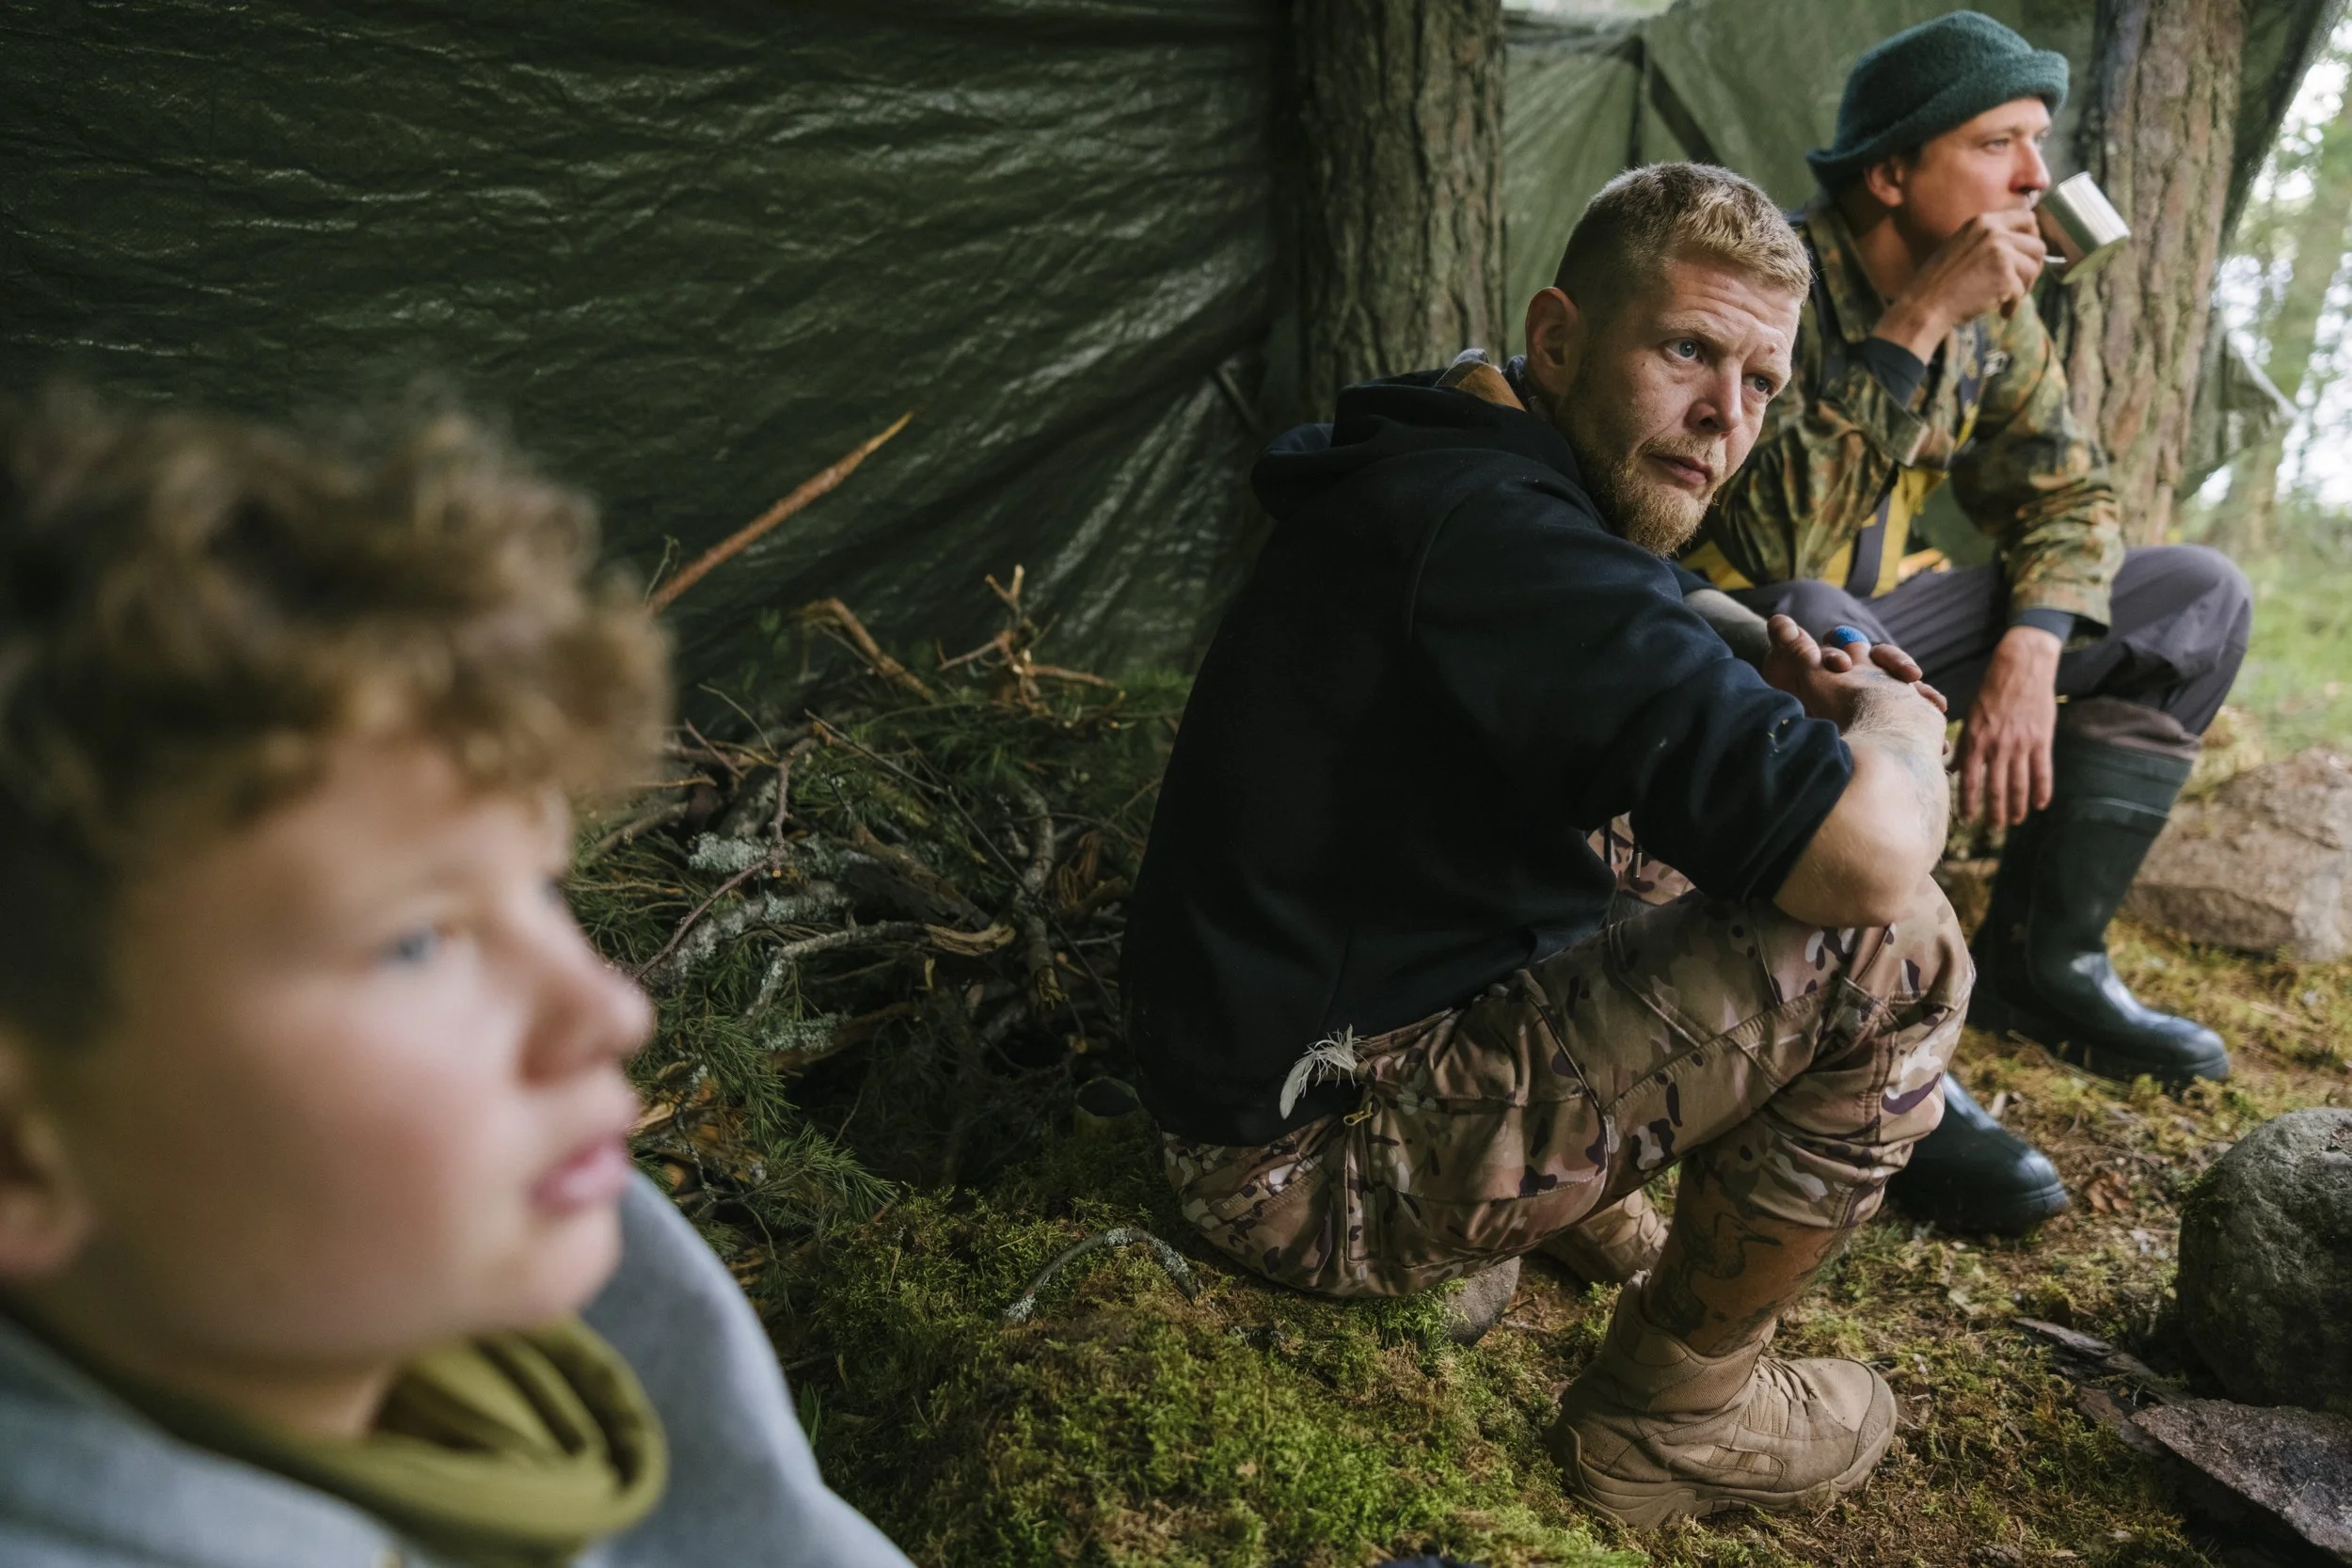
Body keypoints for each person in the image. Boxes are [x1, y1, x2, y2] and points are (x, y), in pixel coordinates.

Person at [1121, 163, 1965, 1528]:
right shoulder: (1500, 542)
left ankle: (1556, 1202)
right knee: (1889, 941)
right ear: (1561, 337)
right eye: (1687, 350)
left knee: (1706, 818)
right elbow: (1870, 858)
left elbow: (1632, 609)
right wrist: (1894, 722)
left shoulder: (1456, 454)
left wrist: (1762, 660)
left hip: (1298, 1046)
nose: (1722, 421)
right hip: (1298, 1165)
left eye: (1760, 383)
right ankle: (1672, 1416)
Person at [0, 390, 915, 1567]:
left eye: (541, 884)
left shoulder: (545, 1275)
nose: (610, 1006)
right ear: (24, 1151)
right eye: (419, 940)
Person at [1680, 10, 2253, 1235]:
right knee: (1822, 614)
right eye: (2002, 143)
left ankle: (2049, 966)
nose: (2036, 180)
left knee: (2193, 595)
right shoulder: (1764, 277)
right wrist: (1915, 325)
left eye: (2037, 147)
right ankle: (1880, 1037)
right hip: (1724, 641)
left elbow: (2071, 489)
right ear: (1893, 171)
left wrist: (2034, 647)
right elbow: (1755, 538)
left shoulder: (2002, 312)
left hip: (1871, 621)